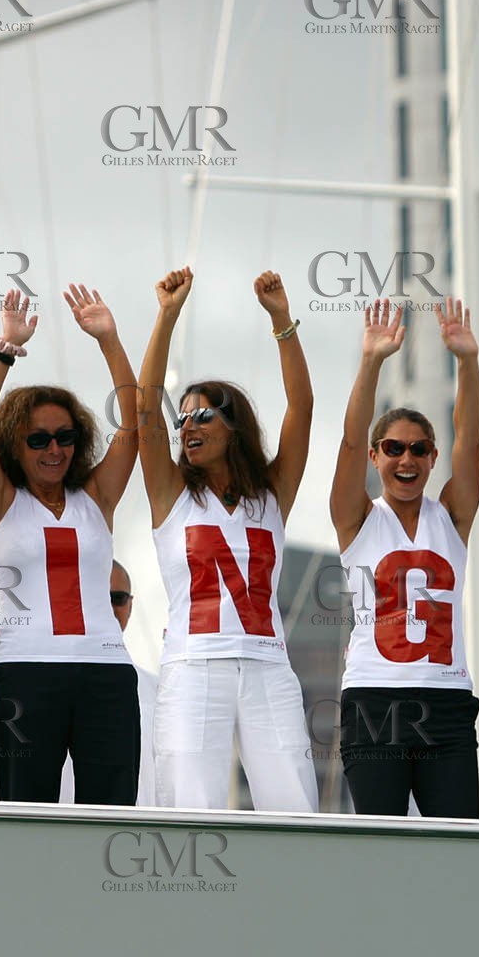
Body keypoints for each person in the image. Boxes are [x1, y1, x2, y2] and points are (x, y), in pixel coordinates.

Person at [138, 267, 318, 812]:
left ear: (234, 425)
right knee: (191, 807)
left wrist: (282, 321)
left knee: (294, 805)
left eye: (202, 416)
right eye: (182, 420)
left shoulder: (271, 494)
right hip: (193, 666)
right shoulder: (172, 493)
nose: (187, 427)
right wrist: (166, 315)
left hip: (267, 665)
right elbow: (144, 409)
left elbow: (302, 409)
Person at [0, 285, 141, 805]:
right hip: (25, 673)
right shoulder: (1, 502)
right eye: (38, 439)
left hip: (107, 674)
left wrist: (109, 340)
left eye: (65, 437)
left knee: (110, 820)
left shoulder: (96, 498)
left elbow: (134, 426)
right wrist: (5, 352)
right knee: (26, 820)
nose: (54, 449)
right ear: (14, 445)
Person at [329, 298, 479, 817]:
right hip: (374, 701)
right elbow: (350, 443)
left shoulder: (452, 516)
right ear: (377, 457)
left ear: (433, 457)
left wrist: (467, 362)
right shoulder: (357, 518)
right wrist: (371, 362)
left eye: (419, 449)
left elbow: (470, 442)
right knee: (380, 844)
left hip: (447, 702)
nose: (406, 459)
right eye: (393, 448)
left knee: (456, 843)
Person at [59, 562, 160, 806]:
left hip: (136, 824)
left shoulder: (159, 691)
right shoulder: (47, 686)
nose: (109, 608)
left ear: (130, 606)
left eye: (118, 598)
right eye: (98, 598)